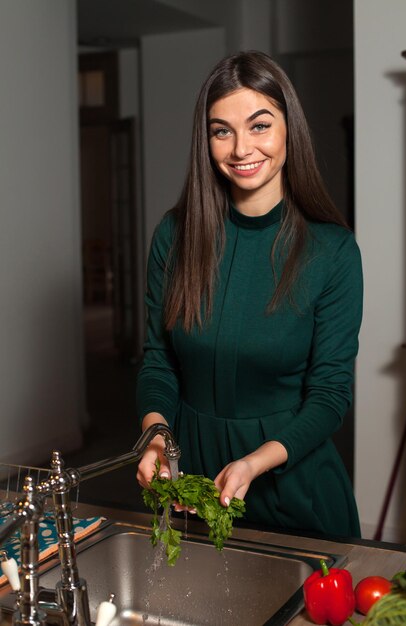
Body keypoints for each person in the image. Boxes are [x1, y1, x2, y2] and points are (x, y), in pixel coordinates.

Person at [136, 50, 363, 538]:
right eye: (222, 131)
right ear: (207, 139)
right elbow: (159, 362)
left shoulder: (333, 250)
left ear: (288, 130)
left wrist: (255, 463)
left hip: (293, 488)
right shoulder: (173, 236)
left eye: (260, 125)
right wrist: (156, 439)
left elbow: (329, 397)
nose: (241, 148)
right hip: (194, 487)